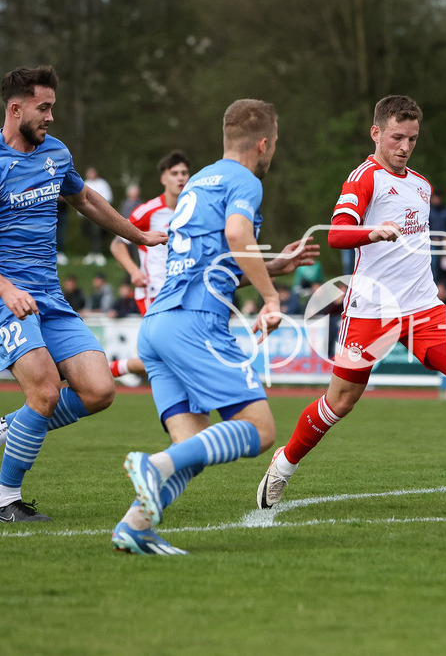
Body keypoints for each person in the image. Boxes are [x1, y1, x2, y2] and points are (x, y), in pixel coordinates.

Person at [256, 95, 446, 514]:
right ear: (376, 133)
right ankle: (283, 465)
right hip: (371, 313)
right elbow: (336, 235)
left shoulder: (422, 186)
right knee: (339, 402)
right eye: (396, 137)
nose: (405, 146)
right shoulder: (364, 178)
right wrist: (372, 232)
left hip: (424, 309)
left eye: (412, 138)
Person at [0, 66, 168, 522]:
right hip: (3, 297)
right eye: (43, 107)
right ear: (16, 109)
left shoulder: (55, 152)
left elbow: (85, 199)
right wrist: (6, 289)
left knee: (98, 389)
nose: (51, 116)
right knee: (46, 392)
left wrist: (137, 235)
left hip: (48, 296)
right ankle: (5, 500)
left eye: (53, 106)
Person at [113, 98, 319, 555]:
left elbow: (215, 261)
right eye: (276, 142)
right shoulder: (245, 179)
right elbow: (237, 235)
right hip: (196, 321)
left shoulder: (199, 181)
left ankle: (135, 527)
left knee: (194, 443)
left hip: (159, 324)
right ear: (263, 143)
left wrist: (275, 265)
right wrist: (270, 296)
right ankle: (154, 465)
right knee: (261, 430)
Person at [107, 151, 191, 379]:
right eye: (174, 173)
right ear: (164, 179)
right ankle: (107, 370)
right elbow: (117, 244)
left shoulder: (194, 211)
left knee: (162, 360)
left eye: (184, 173)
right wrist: (134, 271)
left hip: (185, 293)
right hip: (154, 292)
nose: (180, 178)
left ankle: (110, 369)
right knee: (171, 356)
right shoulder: (148, 210)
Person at [81, 166, 113, 266]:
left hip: (99, 213)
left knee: (97, 233)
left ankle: (98, 253)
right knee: (89, 234)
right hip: (86, 214)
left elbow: (108, 197)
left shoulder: (102, 183)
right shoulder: (84, 183)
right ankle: (91, 253)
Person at [428, 190, 446, 281]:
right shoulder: (428, 211)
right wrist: (432, 237)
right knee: (434, 262)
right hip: (432, 242)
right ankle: (435, 282)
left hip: (445, 243)